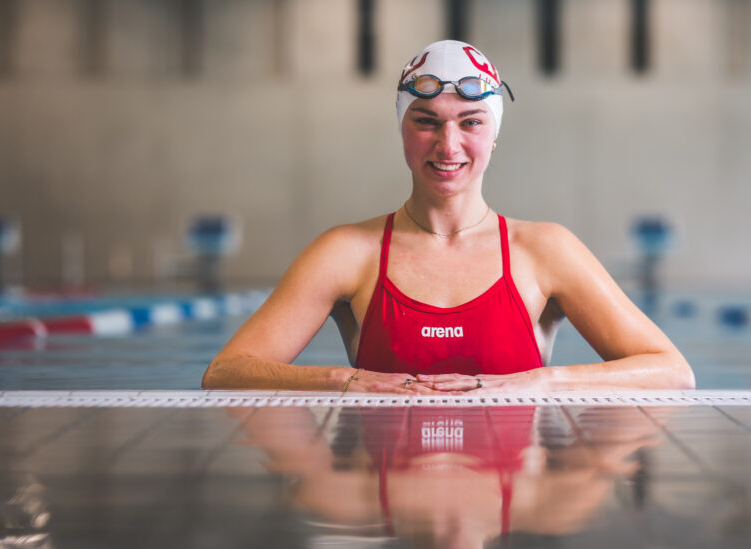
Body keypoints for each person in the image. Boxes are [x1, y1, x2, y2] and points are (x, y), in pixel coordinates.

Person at [202, 40, 694, 394]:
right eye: (426, 121)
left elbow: (672, 370)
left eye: (471, 122)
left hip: (512, 491)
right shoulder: (346, 252)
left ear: (494, 136)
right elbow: (225, 372)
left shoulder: (545, 251)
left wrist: (539, 381)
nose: (448, 145)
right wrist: (345, 380)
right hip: (388, 491)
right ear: (402, 129)